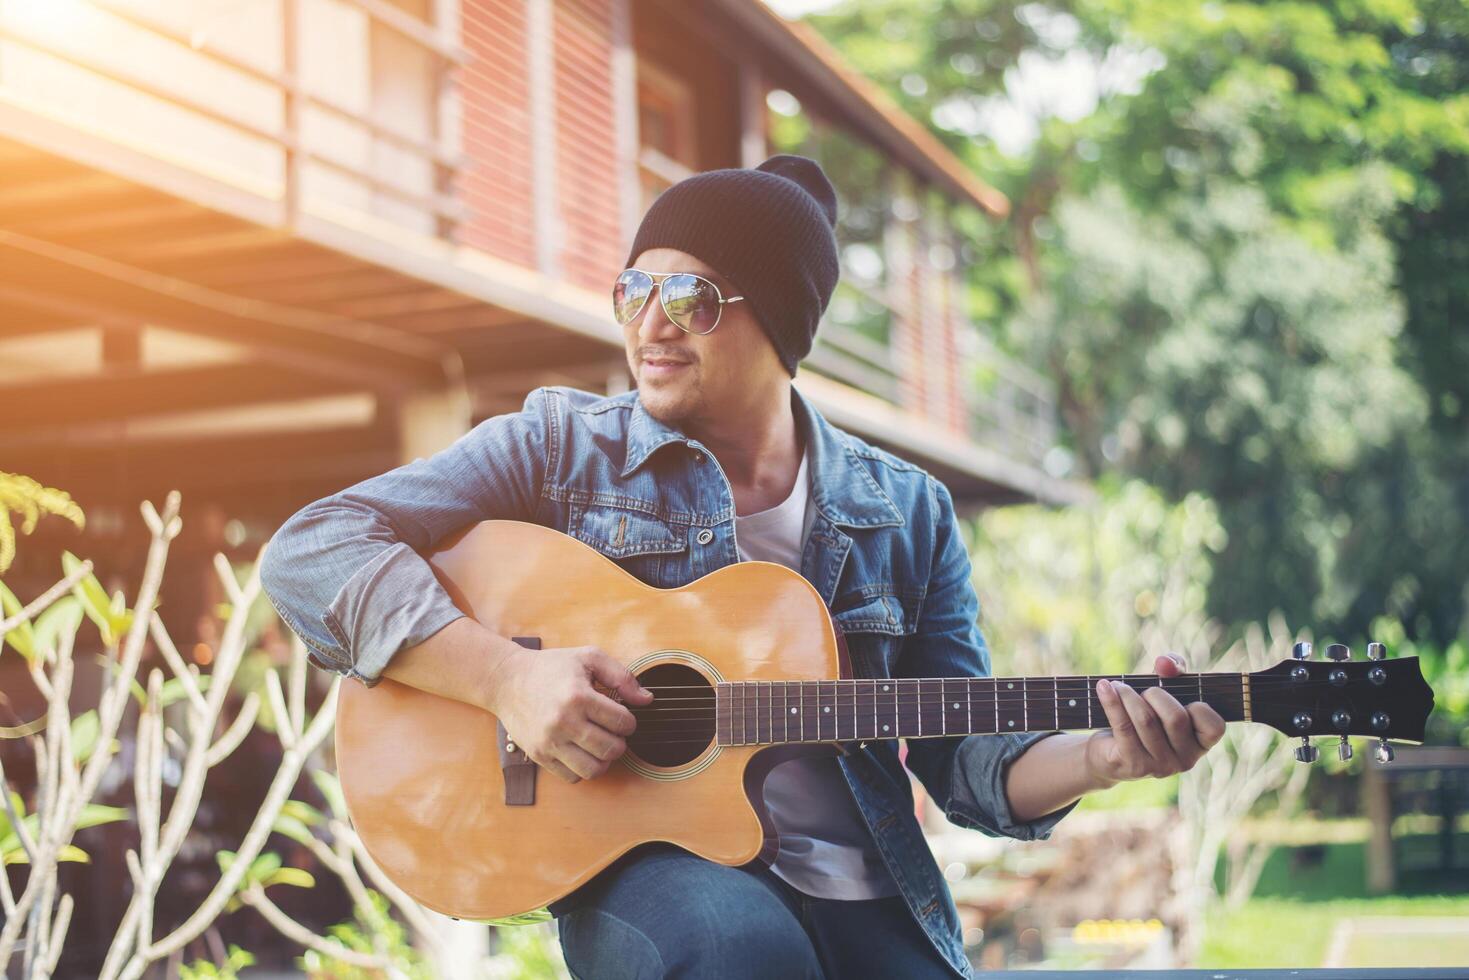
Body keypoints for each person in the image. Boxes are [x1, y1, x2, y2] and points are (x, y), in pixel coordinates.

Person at [260, 154, 1225, 979]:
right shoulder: (560, 449)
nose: (651, 324)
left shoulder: (907, 511)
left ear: (781, 323)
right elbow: (312, 549)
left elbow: (962, 761)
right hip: (660, 877)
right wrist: (507, 676)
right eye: (633, 290)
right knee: (743, 953)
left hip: (866, 885)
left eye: (690, 296)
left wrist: (1103, 757)